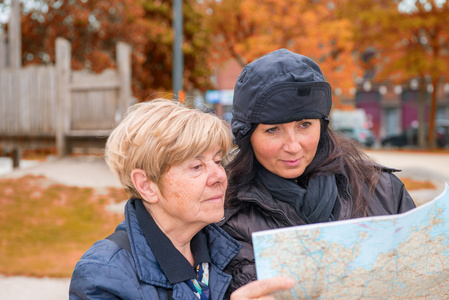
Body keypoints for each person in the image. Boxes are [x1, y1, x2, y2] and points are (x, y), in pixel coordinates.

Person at [219, 49, 416, 294]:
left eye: (304, 125)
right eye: (273, 130)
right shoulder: (222, 216)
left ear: (322, 127)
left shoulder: (383, 190)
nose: (293, 146)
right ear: (248, 137)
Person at [69, 99, 293, 299]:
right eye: (196, 166)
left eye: (217, 161)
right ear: (146, 186)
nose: (219, 176)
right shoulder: (104, 274)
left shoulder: (229, 247)